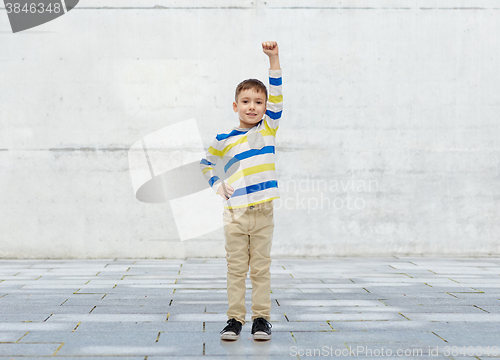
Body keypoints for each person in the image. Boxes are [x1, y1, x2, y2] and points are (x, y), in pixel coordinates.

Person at [199, 41, 282, 341]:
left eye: (258, 102)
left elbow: (277, 95)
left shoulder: (267, 129)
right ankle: (235, 319)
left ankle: (261, 319)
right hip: (235, 214)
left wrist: (273, 58)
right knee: (236, 269)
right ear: (236, 106)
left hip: (263, 212)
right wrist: (217, 184)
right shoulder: (223, 139)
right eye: (246, 101)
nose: (252, 107)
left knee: (260, 268)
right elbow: (206, 164)